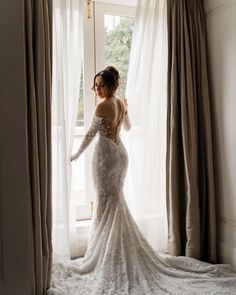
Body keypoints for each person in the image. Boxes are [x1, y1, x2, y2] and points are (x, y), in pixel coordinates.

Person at [48, 66, 236, 295]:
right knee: (114, 204)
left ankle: (105, 253)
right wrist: (127, 109)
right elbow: (126, 127)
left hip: (106, 158)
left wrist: (75, 155)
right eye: (95, 85)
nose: (97, 89)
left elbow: (90, 134)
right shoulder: (119, 104)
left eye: (101, 85)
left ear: (112, 85)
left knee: (106, 204)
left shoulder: (102, 105)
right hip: (120, 155)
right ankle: (112, 250)